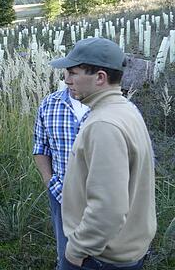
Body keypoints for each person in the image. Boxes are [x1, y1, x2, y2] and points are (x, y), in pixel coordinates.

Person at [50, 37, 156, 270]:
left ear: (100, 77)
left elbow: (108, 207)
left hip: (100, 257)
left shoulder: (104, 124)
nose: (66, 80)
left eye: (73, 73)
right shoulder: (125, 110)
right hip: (123, 251)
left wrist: (76, 250)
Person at [33, 86, 89, 268]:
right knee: (66, 259)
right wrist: (48, 180)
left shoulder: (111, 108)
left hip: (102, 201)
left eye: (74, 71)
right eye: (67, 71)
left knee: (101, 259)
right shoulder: (50, 103)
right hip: (60, 194)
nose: (67, 78)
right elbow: (40, 146)